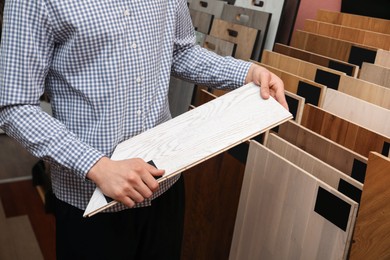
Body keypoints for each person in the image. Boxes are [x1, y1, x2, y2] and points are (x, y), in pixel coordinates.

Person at [0, 1, 288, 259]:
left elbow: (181, 52)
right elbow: (14, 105)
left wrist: (245, 73)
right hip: (89, 199)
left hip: (164, 185)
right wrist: (96, 166)